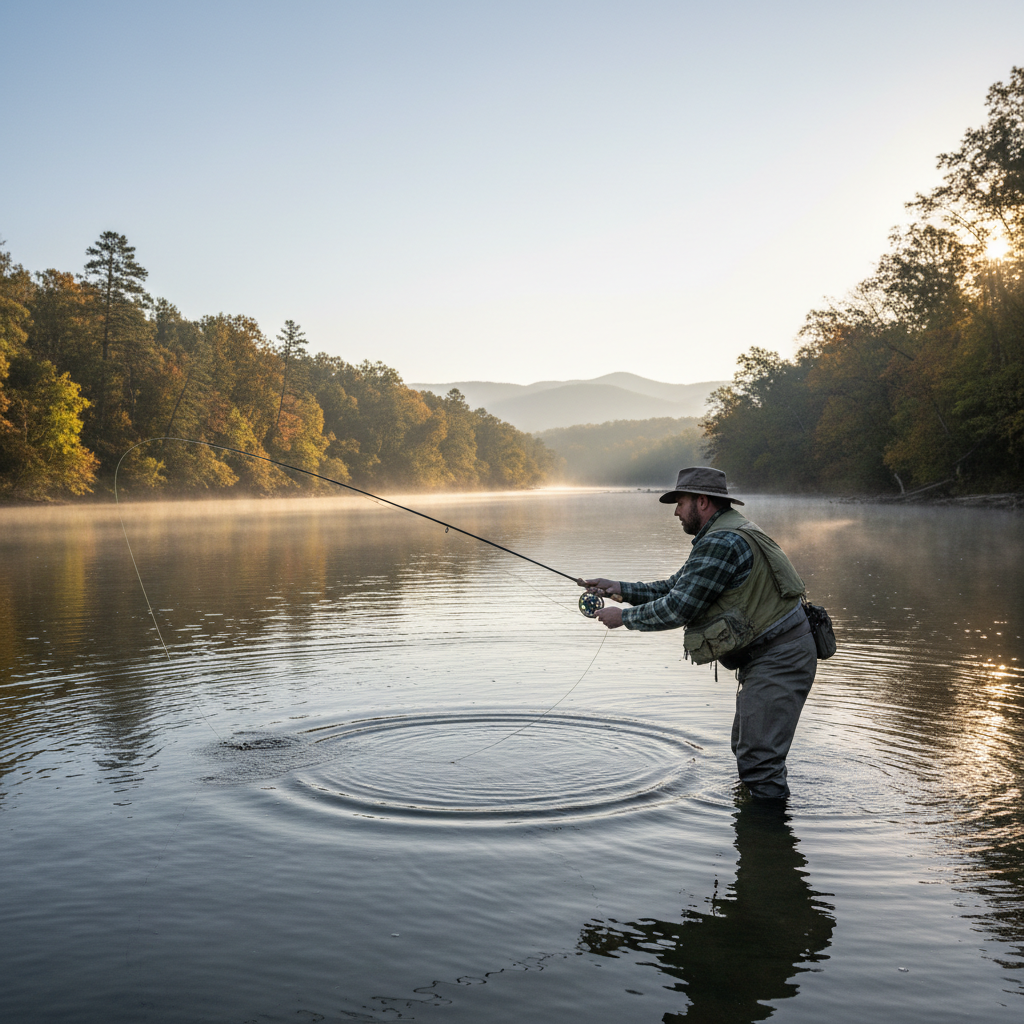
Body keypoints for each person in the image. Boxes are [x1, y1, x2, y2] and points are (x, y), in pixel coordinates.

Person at [579, 467, 816, 801]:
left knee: (759, 763)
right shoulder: (726, 531)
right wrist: (619, 588)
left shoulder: (722, 541)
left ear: (702, 502)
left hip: (779, 656)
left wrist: (624, 618)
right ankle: (756, 823)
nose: (676, 511)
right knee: (747, 749)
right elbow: (677, 586)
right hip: (775, 652)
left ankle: (770, 840)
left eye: (680, 502)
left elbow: (679, 607)